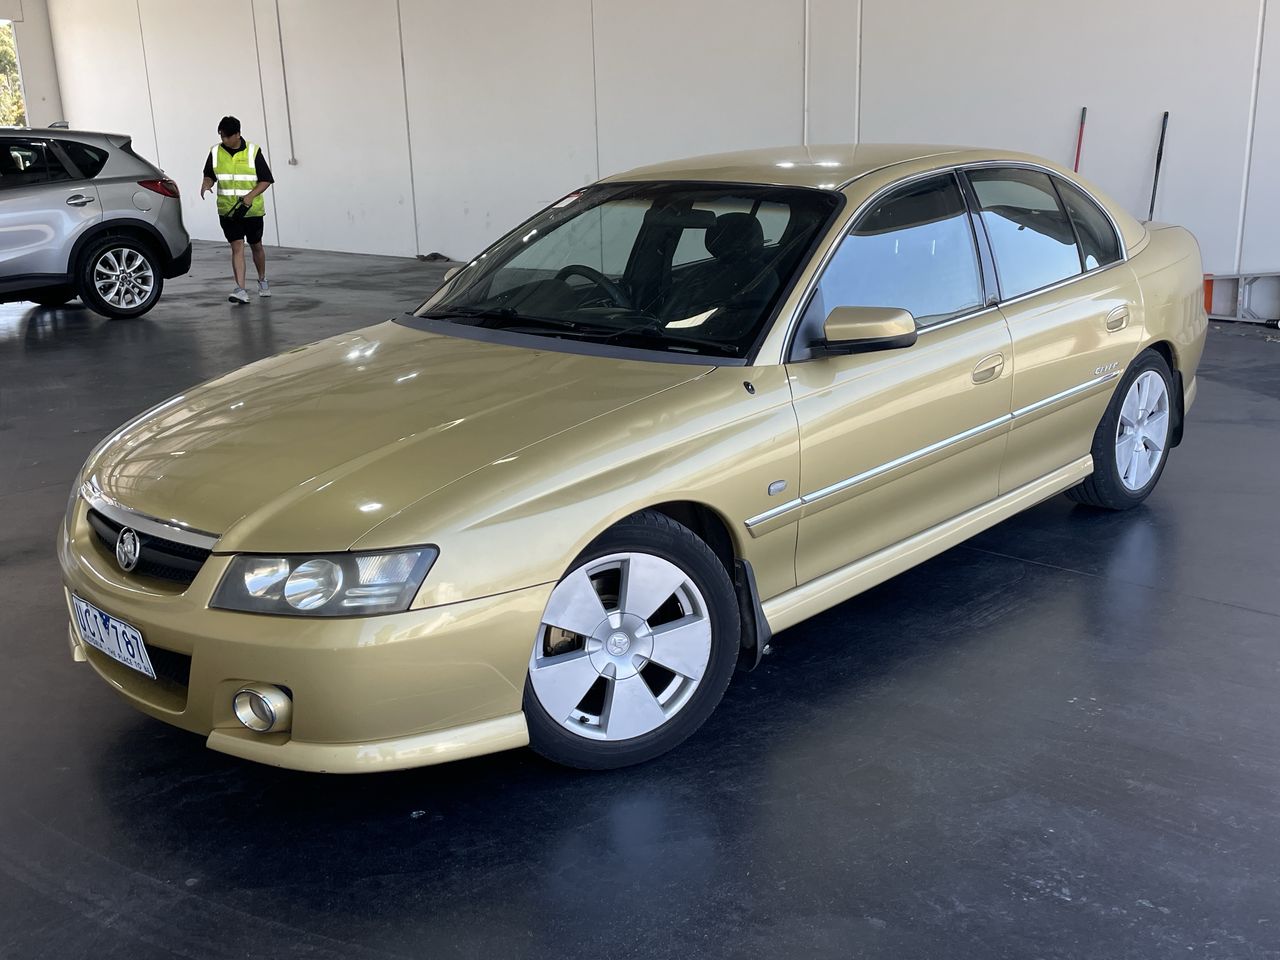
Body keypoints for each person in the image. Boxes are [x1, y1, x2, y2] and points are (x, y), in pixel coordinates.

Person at [200, 116, 274, 304]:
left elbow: (266, 179)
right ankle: (240, 289)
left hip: (252, 211)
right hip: (228, 211)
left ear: (238, 134)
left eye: (227, 136)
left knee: (256, 245)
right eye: (221, 136)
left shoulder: (253, 151)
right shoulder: (215, 152)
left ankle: (262, 280)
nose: (224, 140)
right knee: (237, 246)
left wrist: (250, 196)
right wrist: (206, 184)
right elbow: (209, 174)